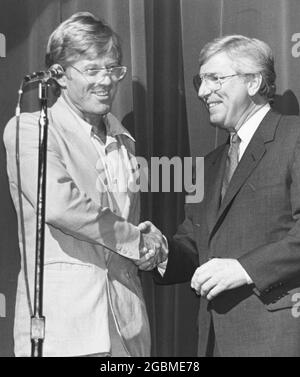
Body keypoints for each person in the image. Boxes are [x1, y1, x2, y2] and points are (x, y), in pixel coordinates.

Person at [3, 12, 164, 357]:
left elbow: (122, 224)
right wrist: (137, 240)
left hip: (127, 331)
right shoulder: (30, 129)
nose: (106, 80)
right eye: (92, 70)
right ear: (58, 75)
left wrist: (152, 245)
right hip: (64, 328)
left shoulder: (125, 142)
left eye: (113, 69)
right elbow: (62, 205)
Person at [138, 34, 300, 357]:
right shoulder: (209, 165)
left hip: (277, 339)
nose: (201, 92)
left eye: (215, 78)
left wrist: (243, 269)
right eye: (201, 80)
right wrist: (162, 251)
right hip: (213, 343)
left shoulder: (293, 137)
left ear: (253, 81)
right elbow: (196, 245)